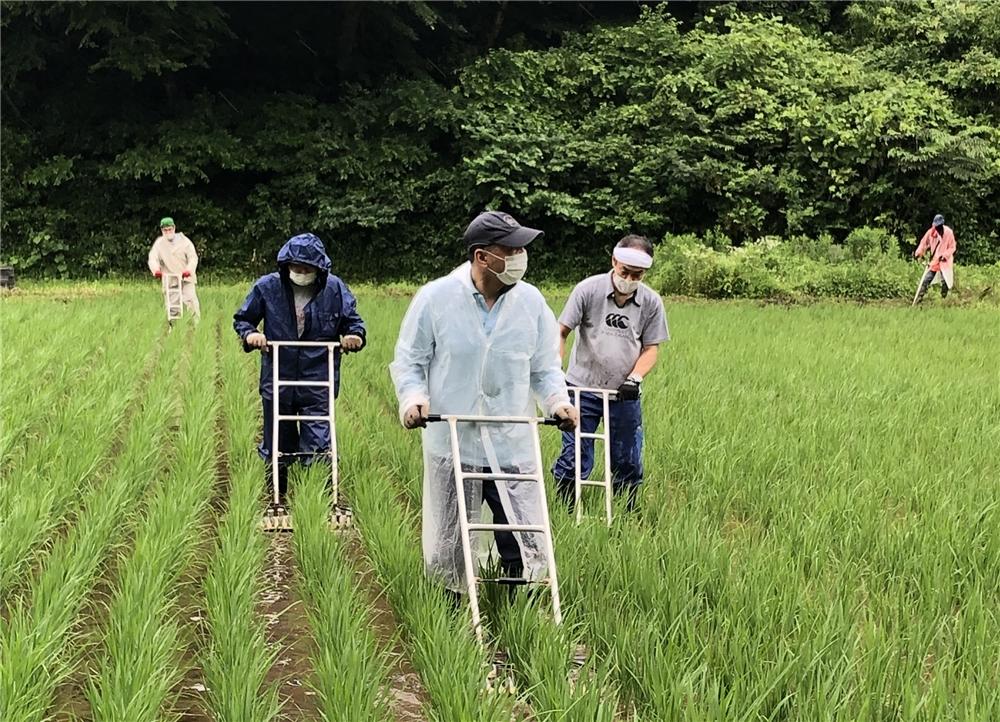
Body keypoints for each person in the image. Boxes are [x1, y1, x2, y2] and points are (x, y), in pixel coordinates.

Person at [389, 211, 578, 594]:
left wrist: (558, 402)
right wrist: (413, 400)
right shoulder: (436, 297)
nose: (520, 256)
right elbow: (411, 360)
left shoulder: (530, 301)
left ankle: (519, 608)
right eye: (510, 249)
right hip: (453, 439)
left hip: (511, 439)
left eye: (521, 248)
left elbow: (544, 367)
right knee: (451, 541)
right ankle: (451, 612)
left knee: (522, 534)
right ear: (481, 257)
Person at [233, 233, 366, 504]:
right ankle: (277, 494)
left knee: (318, 439)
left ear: (319, 269)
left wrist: (354, 337)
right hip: (278, 374)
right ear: (286, 266)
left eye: (307, 269)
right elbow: (244, 319)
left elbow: (353, 323)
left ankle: (316, 498)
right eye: (296, 268)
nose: (301, 273)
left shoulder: (335, 290)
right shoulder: (267, 288)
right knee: (277, 439)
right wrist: (251, 336)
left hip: (318, 376)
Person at [551, 234, 669, 511]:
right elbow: (561, 332)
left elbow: (651, 349)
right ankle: (565, 506)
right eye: (625, 271)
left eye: (637, 274)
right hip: (581, 388)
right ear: (614, 261)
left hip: (623, 393)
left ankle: (628, 508)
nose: (628, 278)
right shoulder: (588, 290)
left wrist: (634, 378)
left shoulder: (651, 302)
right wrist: (555, 367)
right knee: (576, 452)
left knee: (627, 456)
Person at [147, 216, 200, 322]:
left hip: (186, 278)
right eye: (165, 230)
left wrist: (189, 270)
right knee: (172, 307)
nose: (168, 232)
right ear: (162, 230)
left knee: (191, 303)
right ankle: (173, 328)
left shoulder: (185, 242)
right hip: (170, 279)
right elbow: (153, 258)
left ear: (174, 228)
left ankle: (195, 327)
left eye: (170, 229)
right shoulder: (159, 243)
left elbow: (193, 258)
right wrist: (156, 270)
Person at [912, 214, 956, 305]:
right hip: (935, 261)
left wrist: (945, 255)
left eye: (940, 226)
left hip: (945, 262)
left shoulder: (949, 232)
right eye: (937, 226)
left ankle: (944, 300)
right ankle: (918, 301)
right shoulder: (931, 233)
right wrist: (918, 253)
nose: (938, 228)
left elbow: (952, 247)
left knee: (945, 282)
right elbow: (923, 243)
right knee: (926, 280)